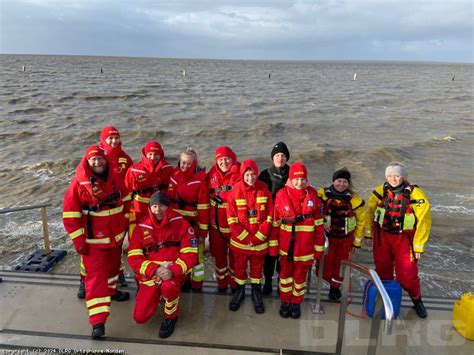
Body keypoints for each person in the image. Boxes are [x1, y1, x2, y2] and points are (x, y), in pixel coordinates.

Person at [63, 145, 131, 338]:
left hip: (115, 240)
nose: (97, 162)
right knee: (96, 282)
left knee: (112, 273)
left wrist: (125, 222)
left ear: (105, 160)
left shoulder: (116, 179)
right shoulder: (78, 185)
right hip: (93, 243)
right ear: (87, 162)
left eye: (100, 159)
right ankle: (98, 322)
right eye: (93, 160)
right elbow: (70, 216)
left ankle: (111, 293)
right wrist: (78, 241)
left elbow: (126, 201)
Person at [365, 162, 431, 318]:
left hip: (404, 241)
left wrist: (419, 245)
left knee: (407, 276)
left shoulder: (415, 194)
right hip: (382, 239)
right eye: (390, 176)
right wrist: (368, 234)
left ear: (403, 176)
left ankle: (417, 301)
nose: (393, 179)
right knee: (383, 273)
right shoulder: (380, 191)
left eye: (397, 175)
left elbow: (424, 219)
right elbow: (369, 211)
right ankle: (386, 302)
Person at [127, 191, 198, 338]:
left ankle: (170, 316)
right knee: (139, 318)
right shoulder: (141, 227)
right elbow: (134, 257)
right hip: (151, 275)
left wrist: (173, 271)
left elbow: (190, 254)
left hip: (173, 274)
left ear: (168, 206)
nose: (158, 210)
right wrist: (154, 270)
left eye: (162, 206)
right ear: (150, 208)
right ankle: (155, 295)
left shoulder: (181, 224)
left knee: (169, 287)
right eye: (154, 206)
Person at [77, 126, 133, 299]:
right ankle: (83, 282)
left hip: (118, 212)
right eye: (110, 138)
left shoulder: (125, 159)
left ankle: (116, 280)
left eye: (116, 138)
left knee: (116, 247)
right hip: (97, 217)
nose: (114, 141)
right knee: (91, 252)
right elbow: (82, 178)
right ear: (103, 139)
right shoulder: (94, 158)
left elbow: (128, 185)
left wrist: (127, 212)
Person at [270, 162, 325, 319]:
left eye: (302, 179)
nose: (299, 182)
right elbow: (275, 223)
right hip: (286, 247)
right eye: (296, 179)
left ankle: (296, 302)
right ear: (290, 179)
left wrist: (319, 248)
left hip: (306, 248)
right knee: (285, 276)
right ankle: (285, 301)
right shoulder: (281, 195)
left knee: (300, 278)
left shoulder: (313, 196)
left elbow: (319, 225)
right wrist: (273, 247)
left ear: (307, 179)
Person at [226, 160, 273, 314]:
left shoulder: (264, 190)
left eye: (253, 174)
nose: (250, 177)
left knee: (257, 269)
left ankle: (256, 293)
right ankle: (239, 293)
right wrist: (247, 238)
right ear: (242, 175)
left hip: (259, 241)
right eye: (247, 174)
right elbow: (232, 219)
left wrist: (258, 237)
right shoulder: (234, 192)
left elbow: (270, 216)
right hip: (240, 242)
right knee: (239, 269)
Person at [317, 168, 365, 301]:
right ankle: (327, 281)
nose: (341, 184)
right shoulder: (322, 195)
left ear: (349, 184)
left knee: (340, 266)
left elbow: (361, 222)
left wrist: (357, 242)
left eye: (345, 181)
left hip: (345, 240)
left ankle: (334, 288)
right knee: (324, 266)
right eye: (339, 181)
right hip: (327, 239)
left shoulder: (355, 200)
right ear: (333, 181)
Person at [167, 148, 210, 291]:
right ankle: (183, 281)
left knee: (197, 258)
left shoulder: (200, 179)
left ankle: (197, 285)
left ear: (194, 163)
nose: (185, 166)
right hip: (176, 225)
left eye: (188, 164)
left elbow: (203, 208)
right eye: (183, 163)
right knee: (180, 255)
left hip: (193, 226)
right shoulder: (174, 174)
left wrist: (203, 233)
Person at [258, 141, 291, 295]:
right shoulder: (265, 174)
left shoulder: (293, 174)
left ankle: (281, 282)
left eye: (283, 155)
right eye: (277, 155)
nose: (280, 158)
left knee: (283, 254)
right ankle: (268, 281)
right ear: (273, 157)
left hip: (287, 222)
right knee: (269, 255)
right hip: (270, 220)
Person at [207, 146, 241, 292]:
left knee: (236, 258)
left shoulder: (241, 173)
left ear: (233, 158)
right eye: (221, 159)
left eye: (227, 159)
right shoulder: (211, 173)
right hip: (216, 227)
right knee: (219, 257)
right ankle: (221, 284)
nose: (224, 162)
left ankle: (234, 285)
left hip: (235, 227)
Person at [125, 141, 173, 226]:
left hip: (160, 210)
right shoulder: (134, 171)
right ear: (145, 154)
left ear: (161, 154)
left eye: (156, 154)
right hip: (140, 209)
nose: (153, 157)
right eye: (150, 154)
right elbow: (126, 193)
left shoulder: (168, 168)